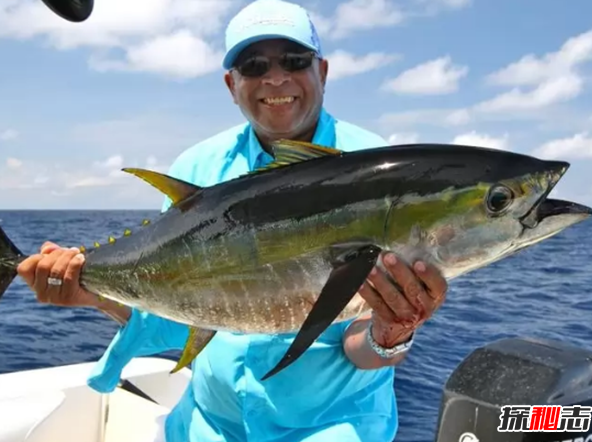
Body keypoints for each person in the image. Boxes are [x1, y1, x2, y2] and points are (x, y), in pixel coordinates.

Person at [16, 0, 448, 441]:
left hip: (327, 428)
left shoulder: (380, 172)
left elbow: (361, 343)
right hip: (208, 424)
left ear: (323, 71)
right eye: (254, 64)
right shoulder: (199, 168)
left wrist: (389, 332)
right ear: (231, 83)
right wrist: (92, 294)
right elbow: (177, 305)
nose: (275, 78)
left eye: (294, 60)